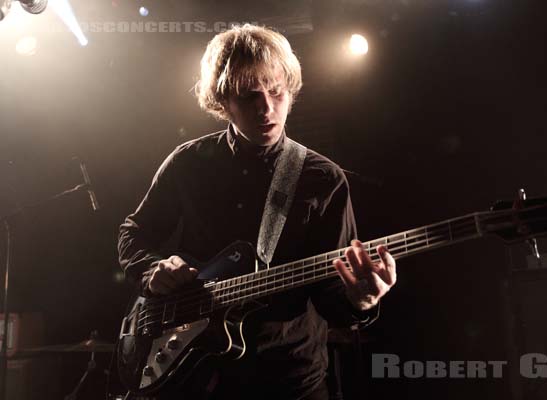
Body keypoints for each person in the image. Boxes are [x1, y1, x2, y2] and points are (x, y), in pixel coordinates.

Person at [118, 24, 397, 400]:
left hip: (288, 377)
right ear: (222, 101)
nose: (267, 108)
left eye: (276, 92)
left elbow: (332, 297)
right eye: (249, 97)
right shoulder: (188, 163)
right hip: (195, 376)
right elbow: (134, 232)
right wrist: (153, 270)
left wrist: (361, 301)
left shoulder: (322, 179)